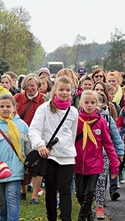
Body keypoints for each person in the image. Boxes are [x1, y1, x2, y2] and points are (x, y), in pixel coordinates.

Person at [29, 76, 79, 221]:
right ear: (55, 90)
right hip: (49, 155)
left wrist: (69, 148)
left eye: (67, 90)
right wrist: (40, 144)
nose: (64, 93)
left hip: (67, 156)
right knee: (50, 190)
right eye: (61, 89)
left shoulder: (73, 111)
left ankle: (66, 218)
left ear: (72, 92)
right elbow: (34, 129)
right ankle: (51, 217)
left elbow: (72, 134)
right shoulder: (44, 108)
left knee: (65, 191)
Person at [74, 90, 120, 221]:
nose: (89, 105)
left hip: (95, 163)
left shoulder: (101, 122)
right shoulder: (76, 121)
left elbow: (108, 144)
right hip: (79, 163)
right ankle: (89, 214)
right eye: (86, 102)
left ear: (98, 105)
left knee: (89, 193)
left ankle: (82, 218)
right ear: (81, 103)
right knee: (80, 195)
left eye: (92, 102)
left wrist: (115, 164)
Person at [14, 73, 45, 204]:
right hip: (21, 135)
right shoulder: (17, 98)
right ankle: (23, 190)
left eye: (32, 85)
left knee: (37, 165)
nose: (30, 88)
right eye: (27, 85)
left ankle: (34, 196)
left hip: (38, 136)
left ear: (38, 86)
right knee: (22, 163)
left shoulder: (44, 99)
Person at [0, 94, 30, 221]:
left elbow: (28, 146)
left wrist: (28, 164)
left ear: (14, 107)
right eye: (1, 106)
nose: (5, 109)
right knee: (1, 202)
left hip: (15, 168)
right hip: (1, 168)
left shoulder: (21, 125)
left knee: (12, 199)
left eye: (8, 106)